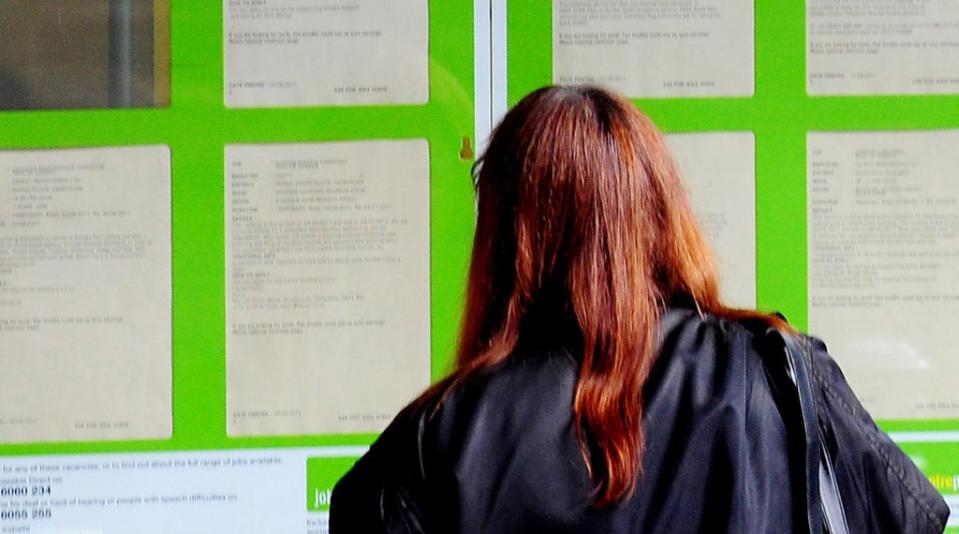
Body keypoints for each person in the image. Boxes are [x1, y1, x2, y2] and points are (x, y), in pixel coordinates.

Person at [330, 86, 950, 533]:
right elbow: (907, 516)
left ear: (503, 237)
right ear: (661, 215)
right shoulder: (778, 373)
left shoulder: (435, 438)